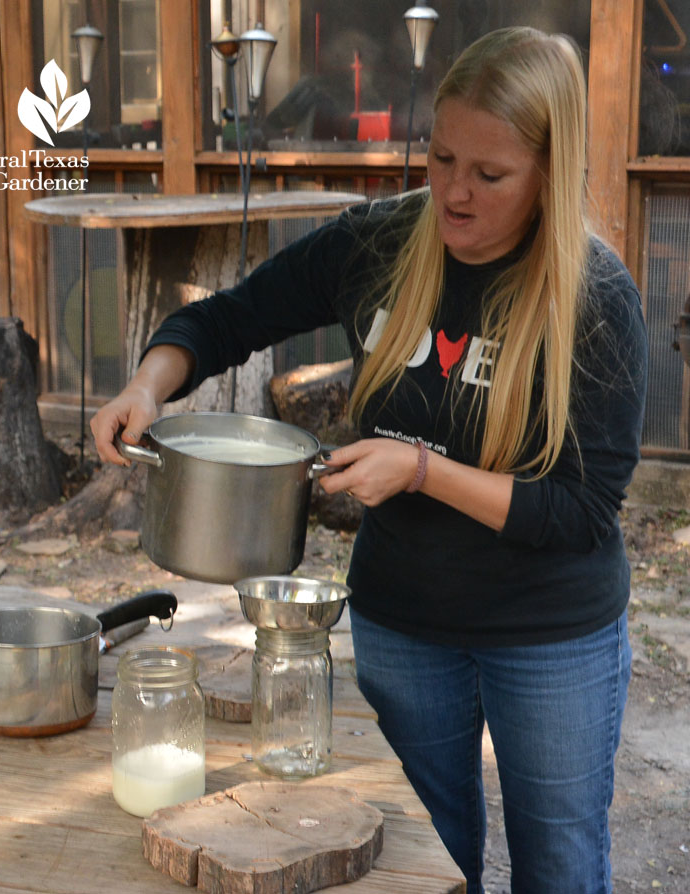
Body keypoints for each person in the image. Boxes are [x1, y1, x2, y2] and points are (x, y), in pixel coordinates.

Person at [92, 26, 648, 894]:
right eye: (441, 158)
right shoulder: (382, 244)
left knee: (562, 867)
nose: (454, 194)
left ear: (549, 171)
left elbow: (580, 513)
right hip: (403, 625)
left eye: (489, 175)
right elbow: (226, 320)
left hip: (551, 637)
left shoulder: (597, 300)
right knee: (427, 865)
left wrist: (419, 470)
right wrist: (148, 385)